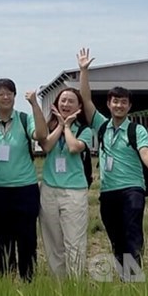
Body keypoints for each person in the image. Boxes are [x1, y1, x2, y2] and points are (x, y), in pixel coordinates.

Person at [77, 48, 148, 278]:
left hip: (132, 190)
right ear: (108, 104)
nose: (119, 105)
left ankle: (134, 278)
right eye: (115, 101)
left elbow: (145, 152)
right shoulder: (101, 125)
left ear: (129, 106)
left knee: (132, 234)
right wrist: (84, 71)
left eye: (123, 102)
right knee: (115, 236)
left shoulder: (135, 129)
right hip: (108, 192)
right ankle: (124, 275)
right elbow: (86, 98)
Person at [0, 77, 47, 282]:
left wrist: (35, 104)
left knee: (27, 238)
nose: (6, 97)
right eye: (0, 94)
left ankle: (28, 279)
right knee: (3, 240)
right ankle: (7, 280)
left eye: (9, 93)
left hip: (25, 189)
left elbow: (41, 134)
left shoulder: (24, 118)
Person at [37, 87, 91, 278]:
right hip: (49, 189)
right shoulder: (49, 127)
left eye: (71, 101)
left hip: (74, 191)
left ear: (79, 106)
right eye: (63, 101)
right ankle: (58, 284)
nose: (66, 104)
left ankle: (76, 285)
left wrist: (67, 126)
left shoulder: (85, 129)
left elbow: (74, 147)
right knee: (53, 241)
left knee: (74, 241)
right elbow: (46, 146)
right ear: (56, 104)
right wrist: (59, 125)